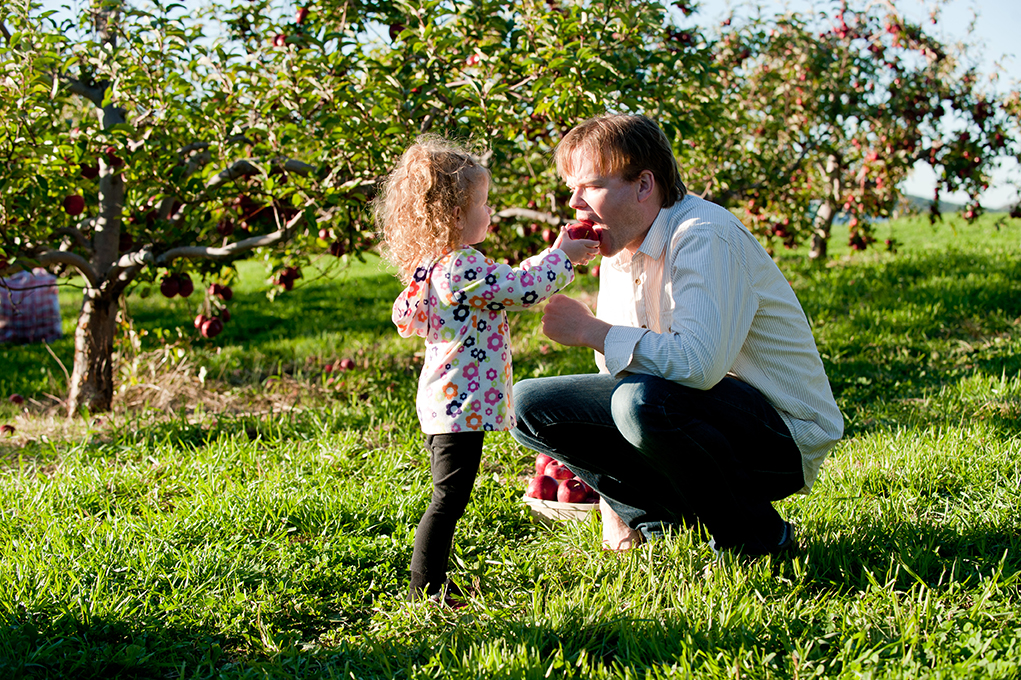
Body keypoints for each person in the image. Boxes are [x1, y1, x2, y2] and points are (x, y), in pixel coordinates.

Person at [510, 115, 844, 556]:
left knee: (644, 404)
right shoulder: (620, 249)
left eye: (589, 186)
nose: (574, 203)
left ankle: (759, 539)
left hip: (781, 436)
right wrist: (612, 503)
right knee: (526, 405)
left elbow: (698, 365)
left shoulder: (704, 236)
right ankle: (654, 523)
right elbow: (623, 371)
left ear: (644, 185)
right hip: (699, 417)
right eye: (571, 188)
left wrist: (591, 330)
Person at [376, 135, 598, 603]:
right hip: (458, 407)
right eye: (484, 203)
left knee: (449, 496)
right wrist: (566, 258)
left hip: (449, 403)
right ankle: (425, 590)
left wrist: (557, 249)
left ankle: (432, 583)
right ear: (456, 214)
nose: (490, 212)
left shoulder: (441, 266)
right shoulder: (461, 267)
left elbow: (512, 280)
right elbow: (523, 288)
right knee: (448, 499)